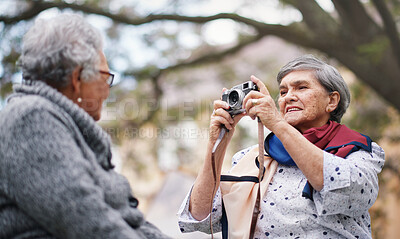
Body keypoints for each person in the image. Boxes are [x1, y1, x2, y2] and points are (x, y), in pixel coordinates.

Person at [0, 13, 170, 239]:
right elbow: (87, 219)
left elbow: (128, 220)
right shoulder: (30, 118)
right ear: (76, 78)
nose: (107, 90)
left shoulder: (65, 126)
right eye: (104, 77)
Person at [177, 55, 385, 238]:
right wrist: (217, 142)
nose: (288, 97)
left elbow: (352, 195)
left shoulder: (358, 150)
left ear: (332, 101)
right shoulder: (253, 157)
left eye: (301, 88)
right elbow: (200, 216)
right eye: (283, 91)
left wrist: (277, 123)